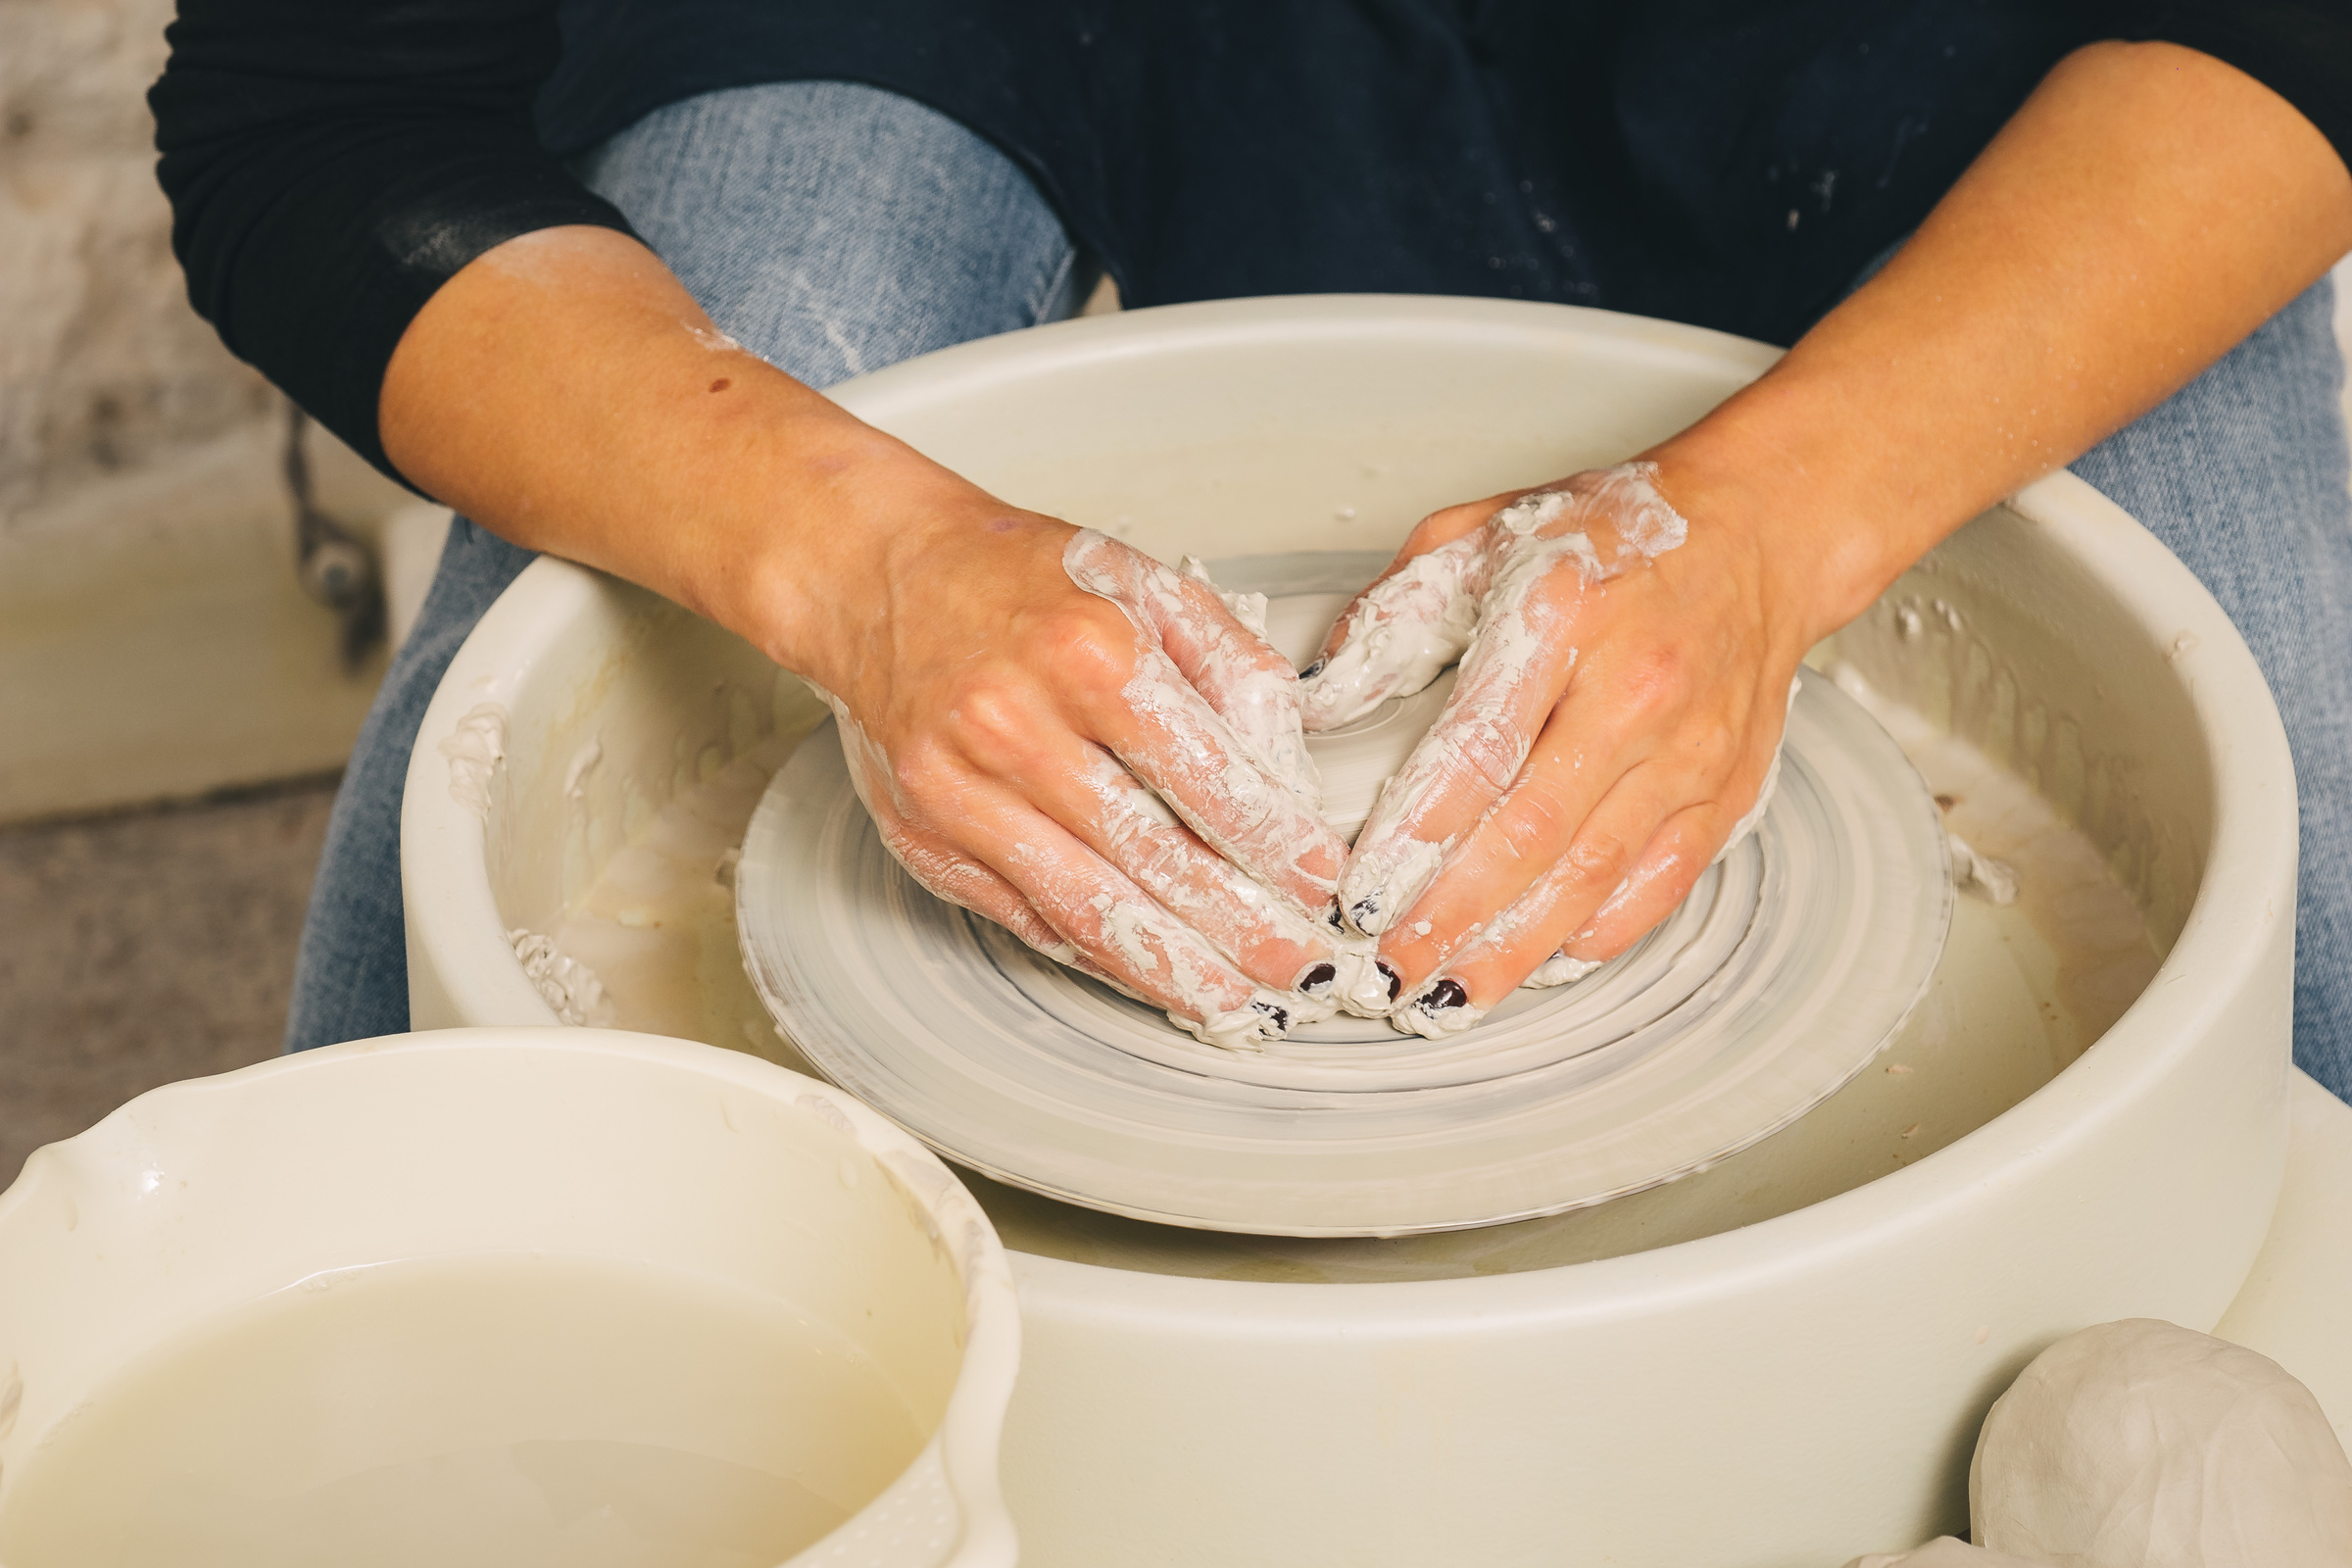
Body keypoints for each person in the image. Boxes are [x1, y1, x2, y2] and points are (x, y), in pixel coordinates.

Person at [151, 5, 2352, 1088]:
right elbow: (320, 127)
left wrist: (1773, 526)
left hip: (1936, 61)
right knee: (438, 1020)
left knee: (2289, 911)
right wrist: (859, 556)